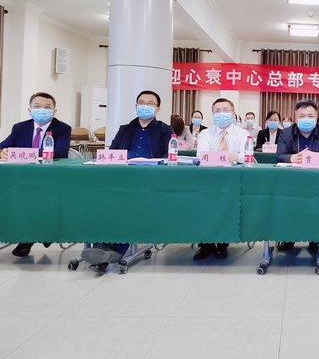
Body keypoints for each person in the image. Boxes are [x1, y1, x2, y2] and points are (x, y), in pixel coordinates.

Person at [81, 90, 173, 275]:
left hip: (149, 179)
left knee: (129, 204)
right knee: (103, 200)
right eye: (142, 102)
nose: (145, 106)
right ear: (136, 106)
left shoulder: (165, 130)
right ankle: (103, 250)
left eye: (150, 103)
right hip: (121, 176)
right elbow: (113, 152)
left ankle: (109, 249)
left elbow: (169, 155)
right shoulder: (125, 128)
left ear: (157, 108)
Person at [0, 92, 71, 257]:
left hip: (49, 176)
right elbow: (3, 145)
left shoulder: (62, 128)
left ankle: (29, 238)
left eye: (47, 107)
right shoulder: (20, 127)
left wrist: (25, 153)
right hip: (21, 176)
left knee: (35, 196)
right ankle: (33, 234)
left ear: (54, 111)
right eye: (37, 107)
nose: (42, 110)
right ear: (29, 109)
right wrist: (3, 151)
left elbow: (61, 151)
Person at [194, 97, 250, 261]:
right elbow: (202, 155)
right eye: (217, 111)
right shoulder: (205, 134)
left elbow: (247, 156)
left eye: (225, 110)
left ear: (233, 114)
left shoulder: (243, 134)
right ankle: (205, 245)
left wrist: (235, 156)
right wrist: (228, 156)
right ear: (212, 114)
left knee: (227, 209)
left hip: (232, 181)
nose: (221, 114)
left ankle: (223, 244)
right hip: (208, 180)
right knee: (204, 210)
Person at [276, 99, 319, 252]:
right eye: (302, 116)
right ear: (295, 118)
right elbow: (279, 156)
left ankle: (315, 239)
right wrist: (292, 157)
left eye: (310, 116)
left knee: (317, 205)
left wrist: (310, 157)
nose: (306, 119)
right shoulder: (286, 133)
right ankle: (289, 237)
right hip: (292, 181)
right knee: (289, 205)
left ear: (316, 117)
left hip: (318, 181)